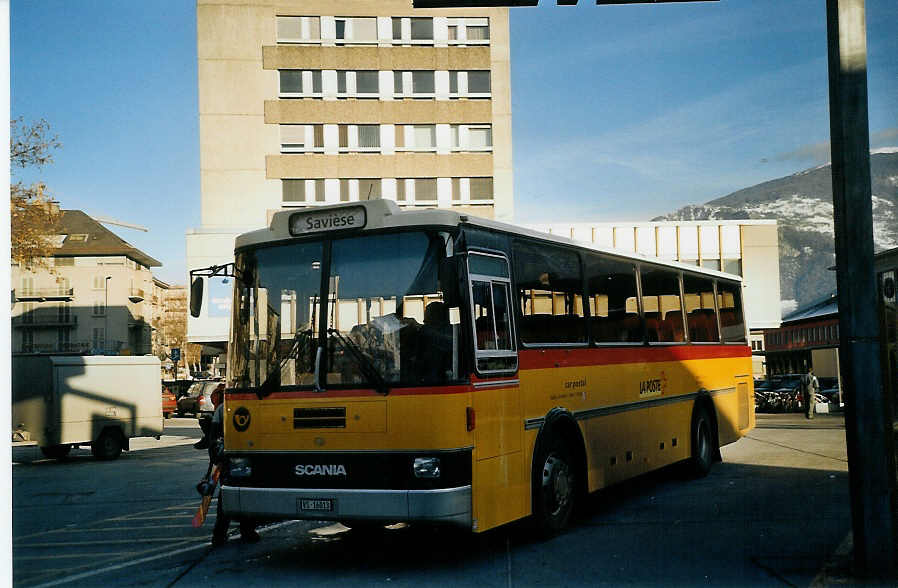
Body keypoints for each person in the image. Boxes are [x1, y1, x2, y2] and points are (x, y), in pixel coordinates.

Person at [196, 385, 260, 546]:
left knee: (228, 496)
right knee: (245, 494)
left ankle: (220, 534)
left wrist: (217, 457)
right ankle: (245, 531)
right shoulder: (254, 406)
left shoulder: (223, 409)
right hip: (242, 458)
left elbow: (214, 438)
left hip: (229, 458)